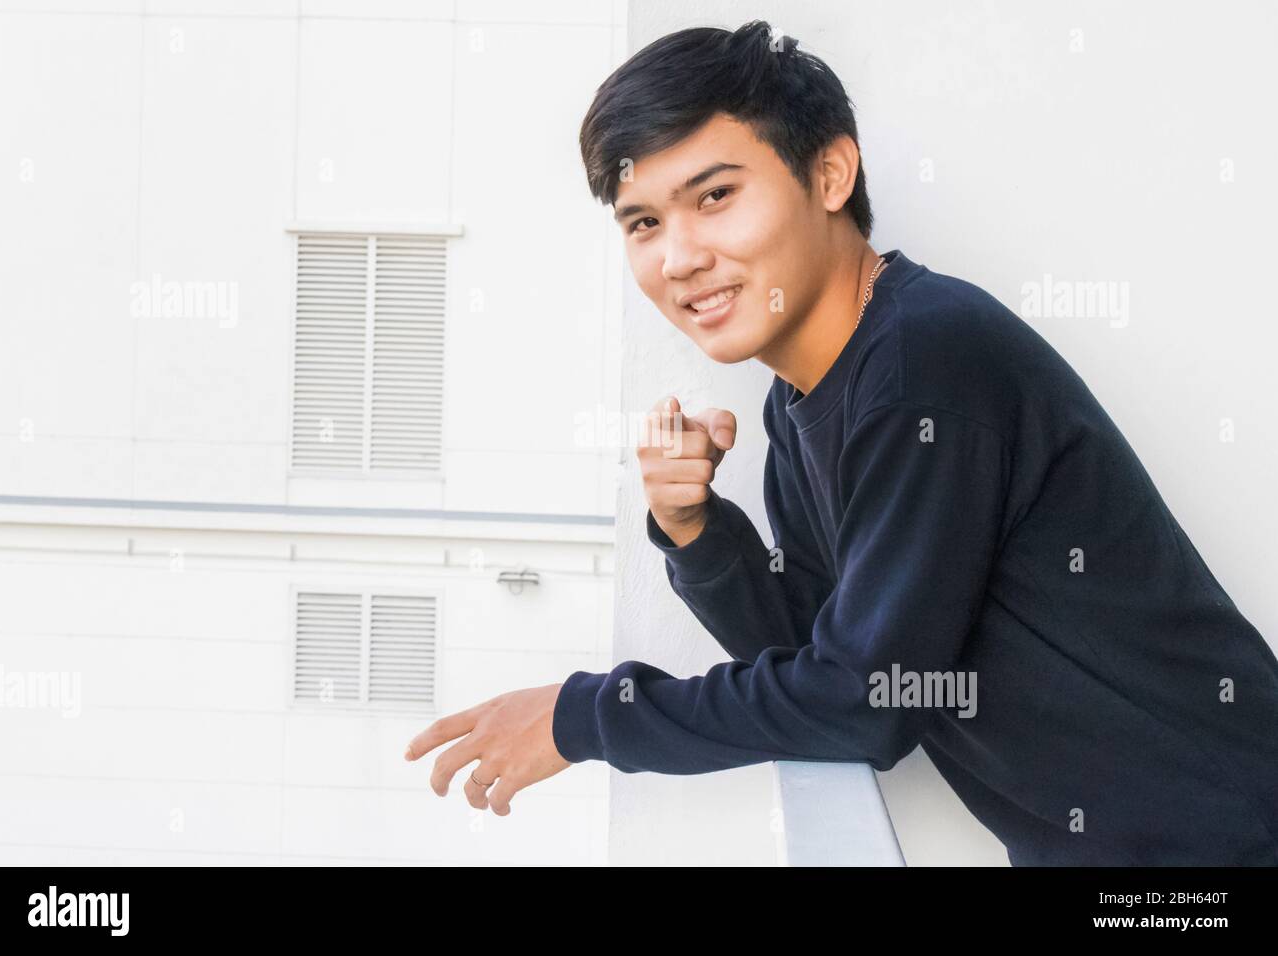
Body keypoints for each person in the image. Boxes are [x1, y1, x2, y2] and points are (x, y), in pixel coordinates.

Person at [406, 20, 1278, 866]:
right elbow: (821, 658)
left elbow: (861, 703)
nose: (678, 257)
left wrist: (586, 716)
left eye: (714, 197)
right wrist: (698, 534)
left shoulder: (923, 363)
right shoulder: (806, 398)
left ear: (829, 174)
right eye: (643, 223)